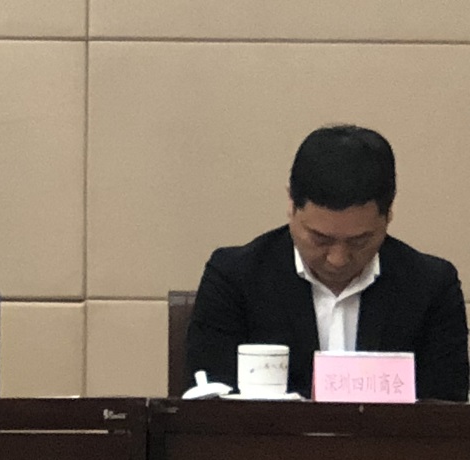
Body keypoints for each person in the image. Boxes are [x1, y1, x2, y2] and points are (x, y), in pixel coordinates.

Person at [187, 124, 469, 400]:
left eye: (359, 241)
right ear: (291, 206)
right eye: (320, 239)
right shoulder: (236, 278)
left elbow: (444, 411)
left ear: (388, 215)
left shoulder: (430, 287)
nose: (338, 259)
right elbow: (209, 402)